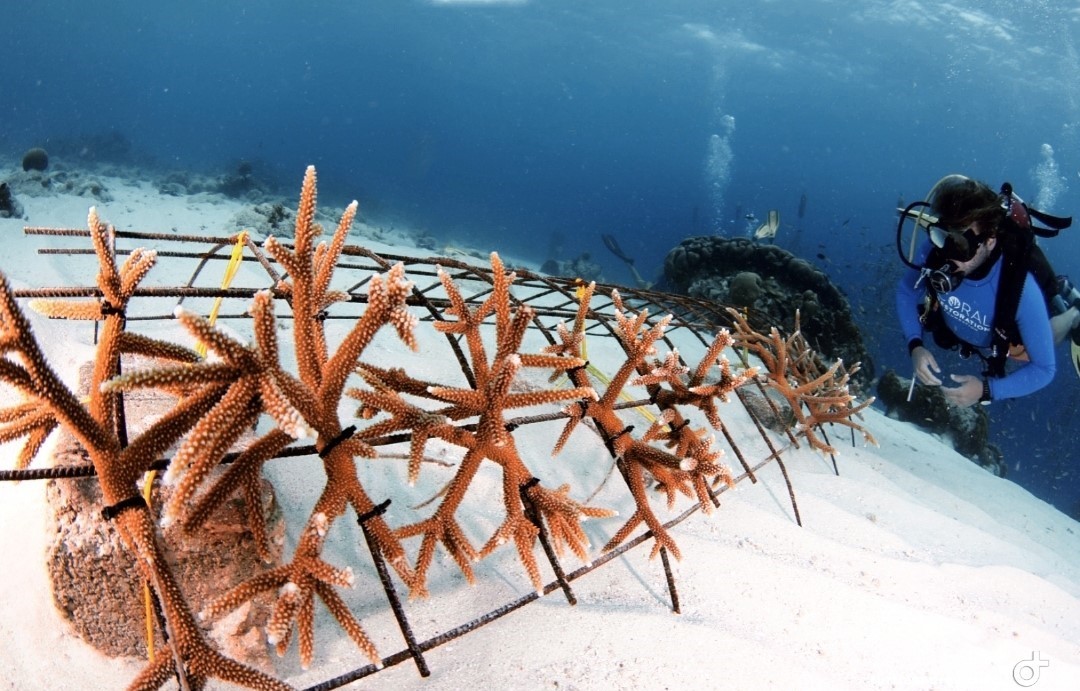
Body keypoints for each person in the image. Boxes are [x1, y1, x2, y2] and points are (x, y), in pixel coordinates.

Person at [895, 175, 1079, 408]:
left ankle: (1073, 312)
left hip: (1008, 340)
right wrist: (915, 345)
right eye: (943, 237)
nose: (949, 254)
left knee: (1043, 340)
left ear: (989, 240)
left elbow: (1044, 369)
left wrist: (986, 391)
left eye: (962, 245)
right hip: (954, 328)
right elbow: (906, 292)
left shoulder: (1020, 289)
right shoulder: (935, 250)